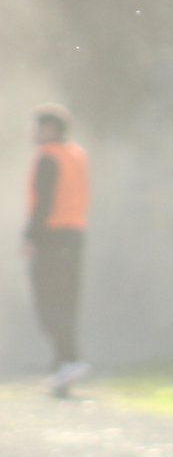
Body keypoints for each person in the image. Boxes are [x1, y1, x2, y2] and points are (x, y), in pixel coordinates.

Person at [21, 103, 91, 396]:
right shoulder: (76, 154)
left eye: (37, 127)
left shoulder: (48, 157)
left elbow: (43, 203)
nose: (33, 133)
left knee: (47, 303)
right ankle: (63, 364)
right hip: (75, 235)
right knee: (66, 302)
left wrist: (30, 237)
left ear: (49, 129)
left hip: (51, 237)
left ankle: (69, 359)